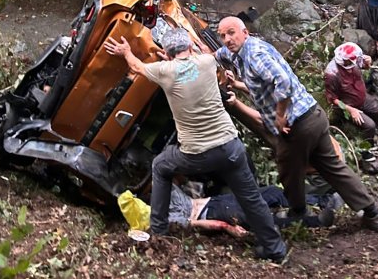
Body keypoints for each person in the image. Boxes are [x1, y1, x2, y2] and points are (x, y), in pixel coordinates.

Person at [104, 25, 288, 262]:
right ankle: (276, 251)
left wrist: (126, 51)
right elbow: (198, 61)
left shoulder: (164, 70)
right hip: (231, 147)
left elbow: (136, 67)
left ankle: (159, 235)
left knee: (161, 165)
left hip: (196, 155)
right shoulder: (207, 63)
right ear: (189, 47)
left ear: (167, 54)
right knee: (251, 198)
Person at [214, 16, 378, 234]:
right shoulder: (239, 51)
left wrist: (280, 115)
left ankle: (298, 212)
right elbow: (227, 61)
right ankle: (373, 212)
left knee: (288, 169)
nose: (227, 39)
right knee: (333, 168)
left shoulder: (255, 55)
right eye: (222, 36)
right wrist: (227, 76)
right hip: (314, 116)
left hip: (298, 126)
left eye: (231, 33)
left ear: (245, 32)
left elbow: (284, 84)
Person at [166, 182, 340, 235]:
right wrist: (227, 227)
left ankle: (323, 201)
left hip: (217, 201)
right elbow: (193, 223)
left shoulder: (162, 191)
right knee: (265, 219)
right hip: (215, 212)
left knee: (272, 192)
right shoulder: (163, 218)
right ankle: (317, 220)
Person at [324, 42, 378, 144]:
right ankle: (365, 148)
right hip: (348, 105)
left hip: (361, 97)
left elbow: (366, 67)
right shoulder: (332, 73)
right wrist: (351, 110)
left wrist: (368, 62)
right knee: (369, 126)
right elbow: (332, 99)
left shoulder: (354, 60)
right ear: (345, 60)